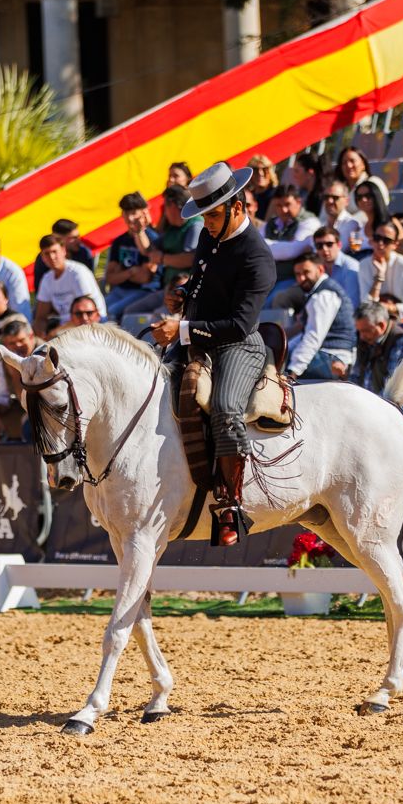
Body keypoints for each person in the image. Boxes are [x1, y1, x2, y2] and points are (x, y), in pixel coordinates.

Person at [148, 161, 275, 547]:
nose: (207, 224)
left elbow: (238, 324)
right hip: (199, 339)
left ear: (238, 207)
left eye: (213, 215)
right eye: (204, 217)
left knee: (224, 407)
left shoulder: (258, 258)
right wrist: (184, 295)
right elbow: (202, 282)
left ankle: (230, 504)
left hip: (240, 346)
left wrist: (182, 328)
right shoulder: (210, 236)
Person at [122, 184, 203, 315]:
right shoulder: (173, 228)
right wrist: (139, 231)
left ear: (173, 206)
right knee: (131, 313)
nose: (164, 211)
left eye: (165, 206)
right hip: (167, 290)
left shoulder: (195, 225)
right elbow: (148, 251)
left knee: (156, 317)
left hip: (185, 293)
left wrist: (162, 258)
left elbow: (191, 259)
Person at [285, 252, 355, 381]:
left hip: (332, 357)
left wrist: (293, 372)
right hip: (327, 354)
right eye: (298, 274)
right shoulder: (320, 291)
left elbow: (313, 337)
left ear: (320, 269)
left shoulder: (323, 295)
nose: (301, 278)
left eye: (306, 272)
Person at [104, 192, 164, 320]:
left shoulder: (152, 238)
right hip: (119, 290)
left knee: (112, 312)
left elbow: (145, 277)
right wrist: (131, 272)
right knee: (96, 311)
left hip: (144, 291)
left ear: (143, 212)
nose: (130, 218)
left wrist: (121, 273)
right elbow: (110, 277)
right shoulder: (119, 241)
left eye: (133, 213)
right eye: (126, 213)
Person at [33, 233, 106, 337]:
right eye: (47, 253)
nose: (52, 257)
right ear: (42, 257)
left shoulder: (78, 273)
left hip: (93, 324)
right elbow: (40, 317)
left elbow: (86, 315)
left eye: (54, 251)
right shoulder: (47, 279)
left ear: (63, 251)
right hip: (66, 327)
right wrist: (39, 334)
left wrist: (53, 335)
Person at [0, 320, 38, 443]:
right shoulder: (8, 359)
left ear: (31, 337)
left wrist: (16, 373)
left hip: (42, 410)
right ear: (5, 344)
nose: (18, 346)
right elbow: (1, 395)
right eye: (12, 343)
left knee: (27, 425)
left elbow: (32, 402)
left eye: (21, 340)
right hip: (19, 407)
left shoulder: (43, 355)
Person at [262, 186, 321, 304]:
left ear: (299, 202)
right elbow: (254, 247)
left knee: (271, 301)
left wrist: (266, 245)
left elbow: (292, 251)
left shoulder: (309, 221)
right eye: (278, 205)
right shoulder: (271, 223)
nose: (283, 210)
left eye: (287, 204)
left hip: (294, 279)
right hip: (268, 280)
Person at [359, 219, 403, 322]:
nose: (380, 244)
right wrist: (379, 278)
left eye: (386, 240)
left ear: (395, 244)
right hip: (376, 323)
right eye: (377, 238)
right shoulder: (364, 265)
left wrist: (387, 307)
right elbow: (366, 306)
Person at [349, 301, 403, 399]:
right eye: (359, 331)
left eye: (366, 331)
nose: (361, 336)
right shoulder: (364, 338)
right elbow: (355, 374)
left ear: (381, 325)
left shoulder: (400, 341)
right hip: (362, 400)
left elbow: (392, 388)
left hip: (384, 405)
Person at [33, 219, 97, 289]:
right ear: (59, 239)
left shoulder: (84, 253)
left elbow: (89, 285)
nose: (79, 241)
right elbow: (40, 289)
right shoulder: (45, 257)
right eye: (74, 238)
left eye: (78, 236)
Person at [311, 225, 361, 305]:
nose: (325, 249)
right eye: (319, 246)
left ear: (339, 245)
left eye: (329, 244)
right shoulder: (316, 268)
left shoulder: (351, 267)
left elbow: (353, 303)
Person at [334, 148, 388, 218]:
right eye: (344, 163)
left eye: (352, 161)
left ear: (363, 164)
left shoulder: (374, 183)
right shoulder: (337, 189)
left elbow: (378, 209)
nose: (348, 166)